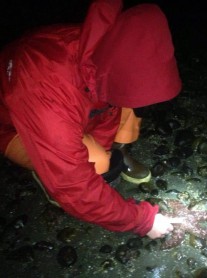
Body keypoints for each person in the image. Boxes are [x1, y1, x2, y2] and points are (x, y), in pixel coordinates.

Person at [0, 0, 182, 239]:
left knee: (127, 103)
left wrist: (105, 148)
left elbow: (106, 107)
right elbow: (74, 185)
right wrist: (143, 220)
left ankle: (113, 153)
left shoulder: (103, 54)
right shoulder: (46, 90)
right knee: (92, 166)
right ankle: (45, 171)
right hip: (13, 125)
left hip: (67, 105)